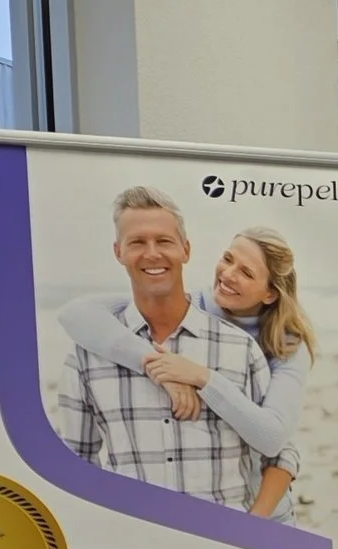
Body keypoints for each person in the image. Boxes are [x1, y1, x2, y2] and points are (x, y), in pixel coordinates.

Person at [58, 222, 315, 521]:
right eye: (228, 259)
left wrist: (202, 377)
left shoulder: (287, 346)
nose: (228, 275)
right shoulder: (190, 308)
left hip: (267, 515)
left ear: (270, 293)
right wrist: (157, 366)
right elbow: (75, 314)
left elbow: (273, 438)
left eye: (246, 273)